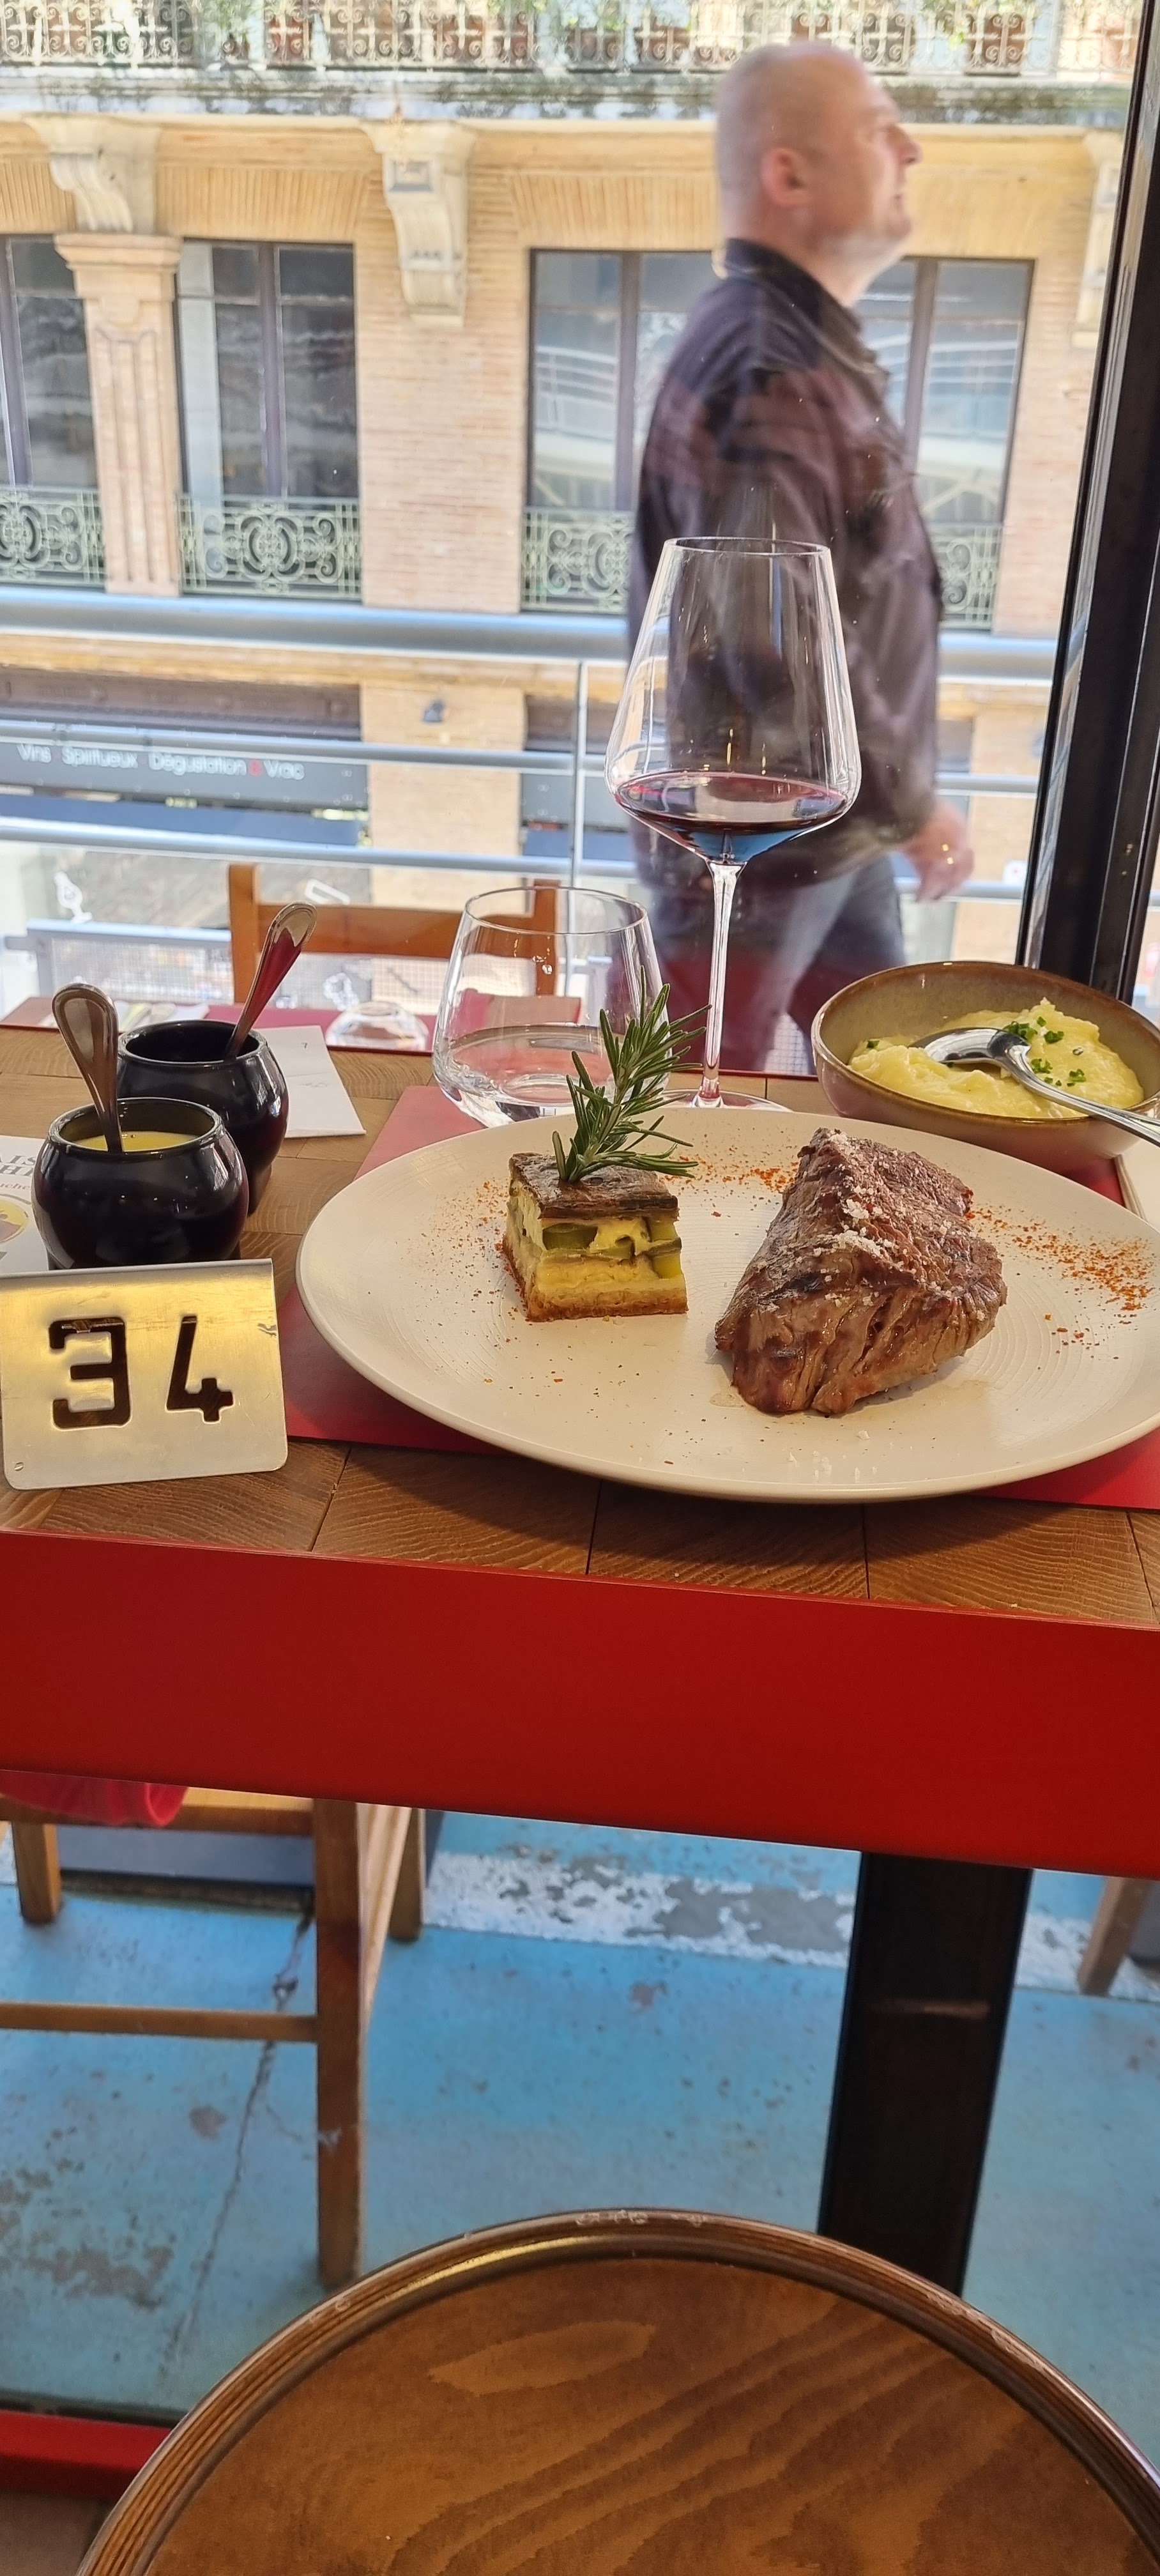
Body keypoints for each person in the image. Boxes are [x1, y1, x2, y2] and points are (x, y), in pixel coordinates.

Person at [630, 43, 973, 1071]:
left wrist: (897, 804)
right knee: (681, 1103)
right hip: (756, 841)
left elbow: (823, 606)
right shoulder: (767, 365)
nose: (911, 149)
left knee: (883, 1071)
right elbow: (772, 637)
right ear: (788, 174)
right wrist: (912, 800)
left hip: (826, 832)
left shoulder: (795, 348)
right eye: (878, 129)